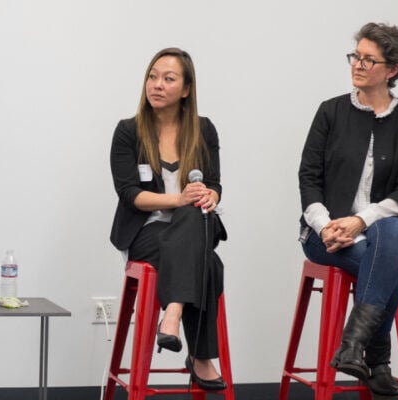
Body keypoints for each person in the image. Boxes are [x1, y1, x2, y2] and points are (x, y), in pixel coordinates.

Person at [298, 22, 398, 397]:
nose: (357, 64)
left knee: (390, 231)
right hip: (326, 234)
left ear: (392, 69)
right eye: (355, 56)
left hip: (385, 231)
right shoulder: (331, 112)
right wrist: (325, 225)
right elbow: (308, 177)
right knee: (393, 274)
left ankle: (352, 344)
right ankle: (378, 360)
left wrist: (361, 220)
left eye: (369, 59)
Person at [110, 48, 228, 391]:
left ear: (186, 89)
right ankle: (201, 357)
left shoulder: (204, 130)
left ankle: (172, 314)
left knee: (193, 215)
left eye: (168, 78)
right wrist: (180, 199)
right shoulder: (128, 131)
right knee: (210, 264)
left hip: (194, 227)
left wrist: (210, 195)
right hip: (145, 231)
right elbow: (130, 194)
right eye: (152, 76)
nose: (157, 84)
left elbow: (215, 183)